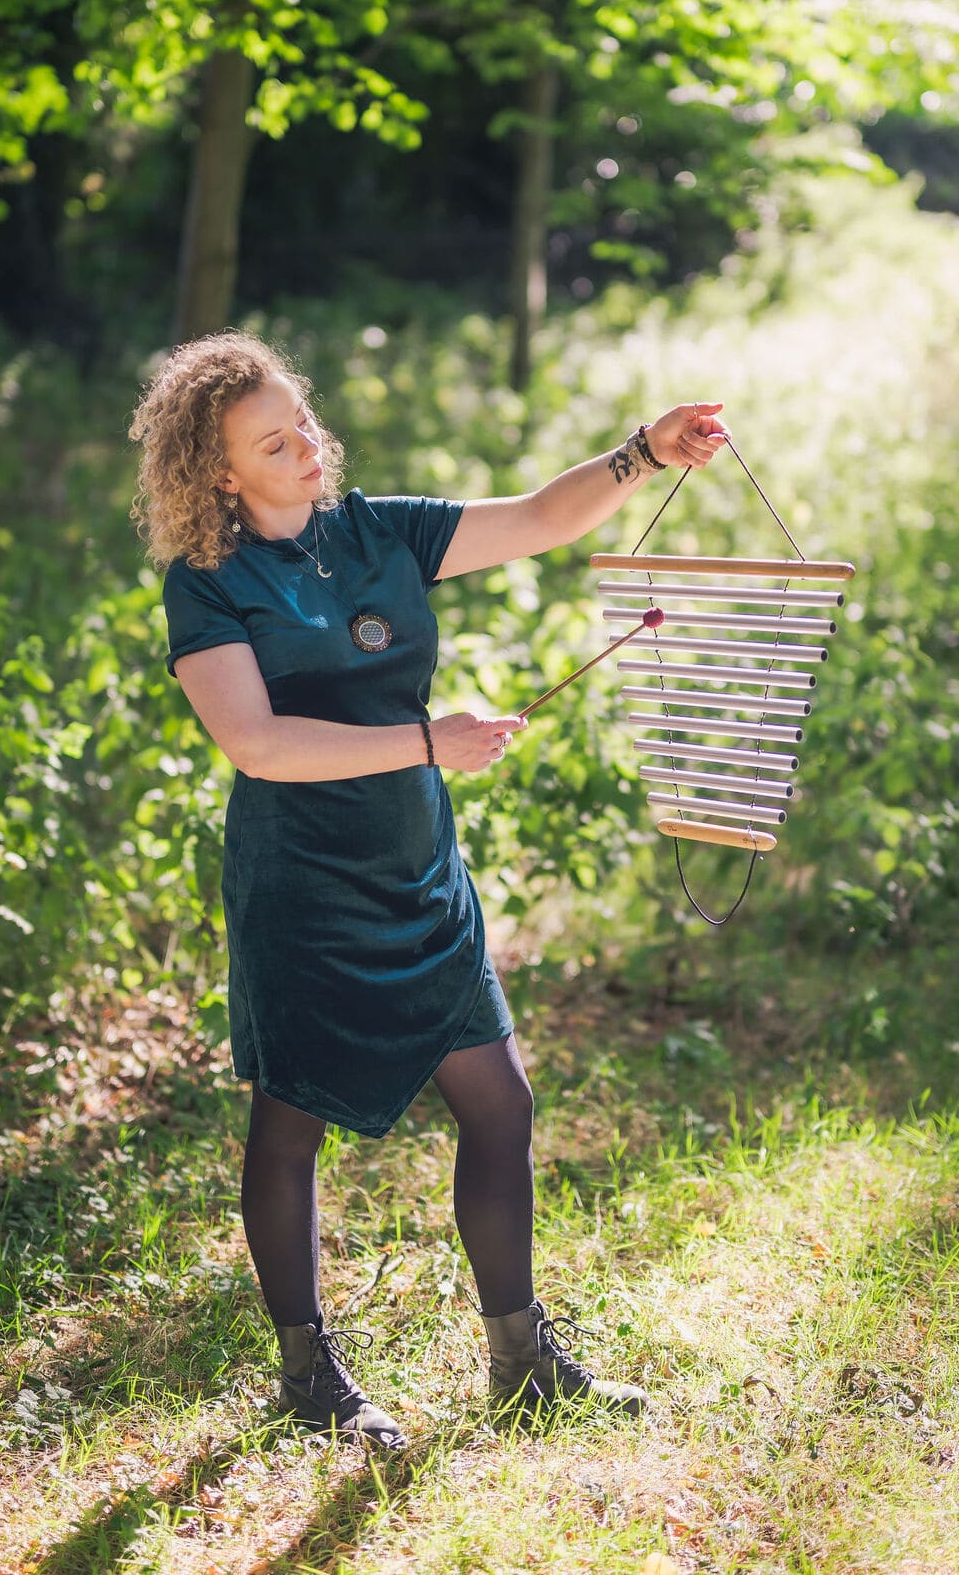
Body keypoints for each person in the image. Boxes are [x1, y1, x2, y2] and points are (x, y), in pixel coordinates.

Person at [128, 329, 727, 1451]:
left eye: (301, 420)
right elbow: (255, 744)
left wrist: (643, 452)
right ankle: (308, 1377)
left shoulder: (378, 531)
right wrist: (424, 739)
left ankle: (522, 1363)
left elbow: (539, 517)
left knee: (499, 1103)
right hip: (299, 887)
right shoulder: (206, 583)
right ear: (220, 475)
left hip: (417, 874)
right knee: (289, 1120)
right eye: (273, 441)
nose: (306, 446)